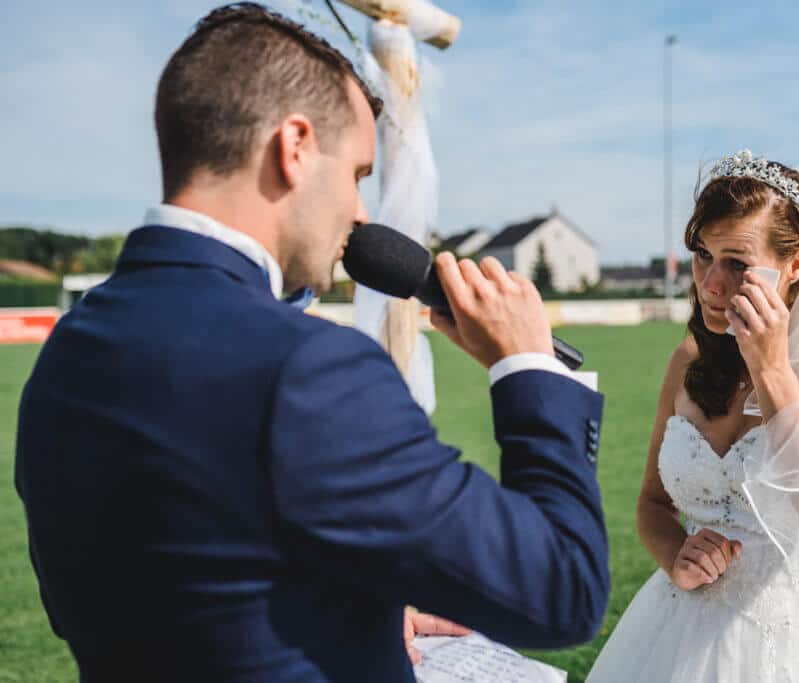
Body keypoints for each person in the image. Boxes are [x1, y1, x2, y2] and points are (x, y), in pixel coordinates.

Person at [14, 5, 609, 682]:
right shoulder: (308, 367)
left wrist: (351, 606)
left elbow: (161, 586)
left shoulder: (68, 349)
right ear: (293, 146)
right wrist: (526, 365)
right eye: (357, 173)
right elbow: (562, 587)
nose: (361, 213)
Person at [586, 150, 799, 682]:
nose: (711, 283)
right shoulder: (688, 359)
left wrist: (772, 370)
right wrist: (677, 554)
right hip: (674, 638)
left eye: (737, 262)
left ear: (798, 263)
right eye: (702, 254)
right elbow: (652, 503)